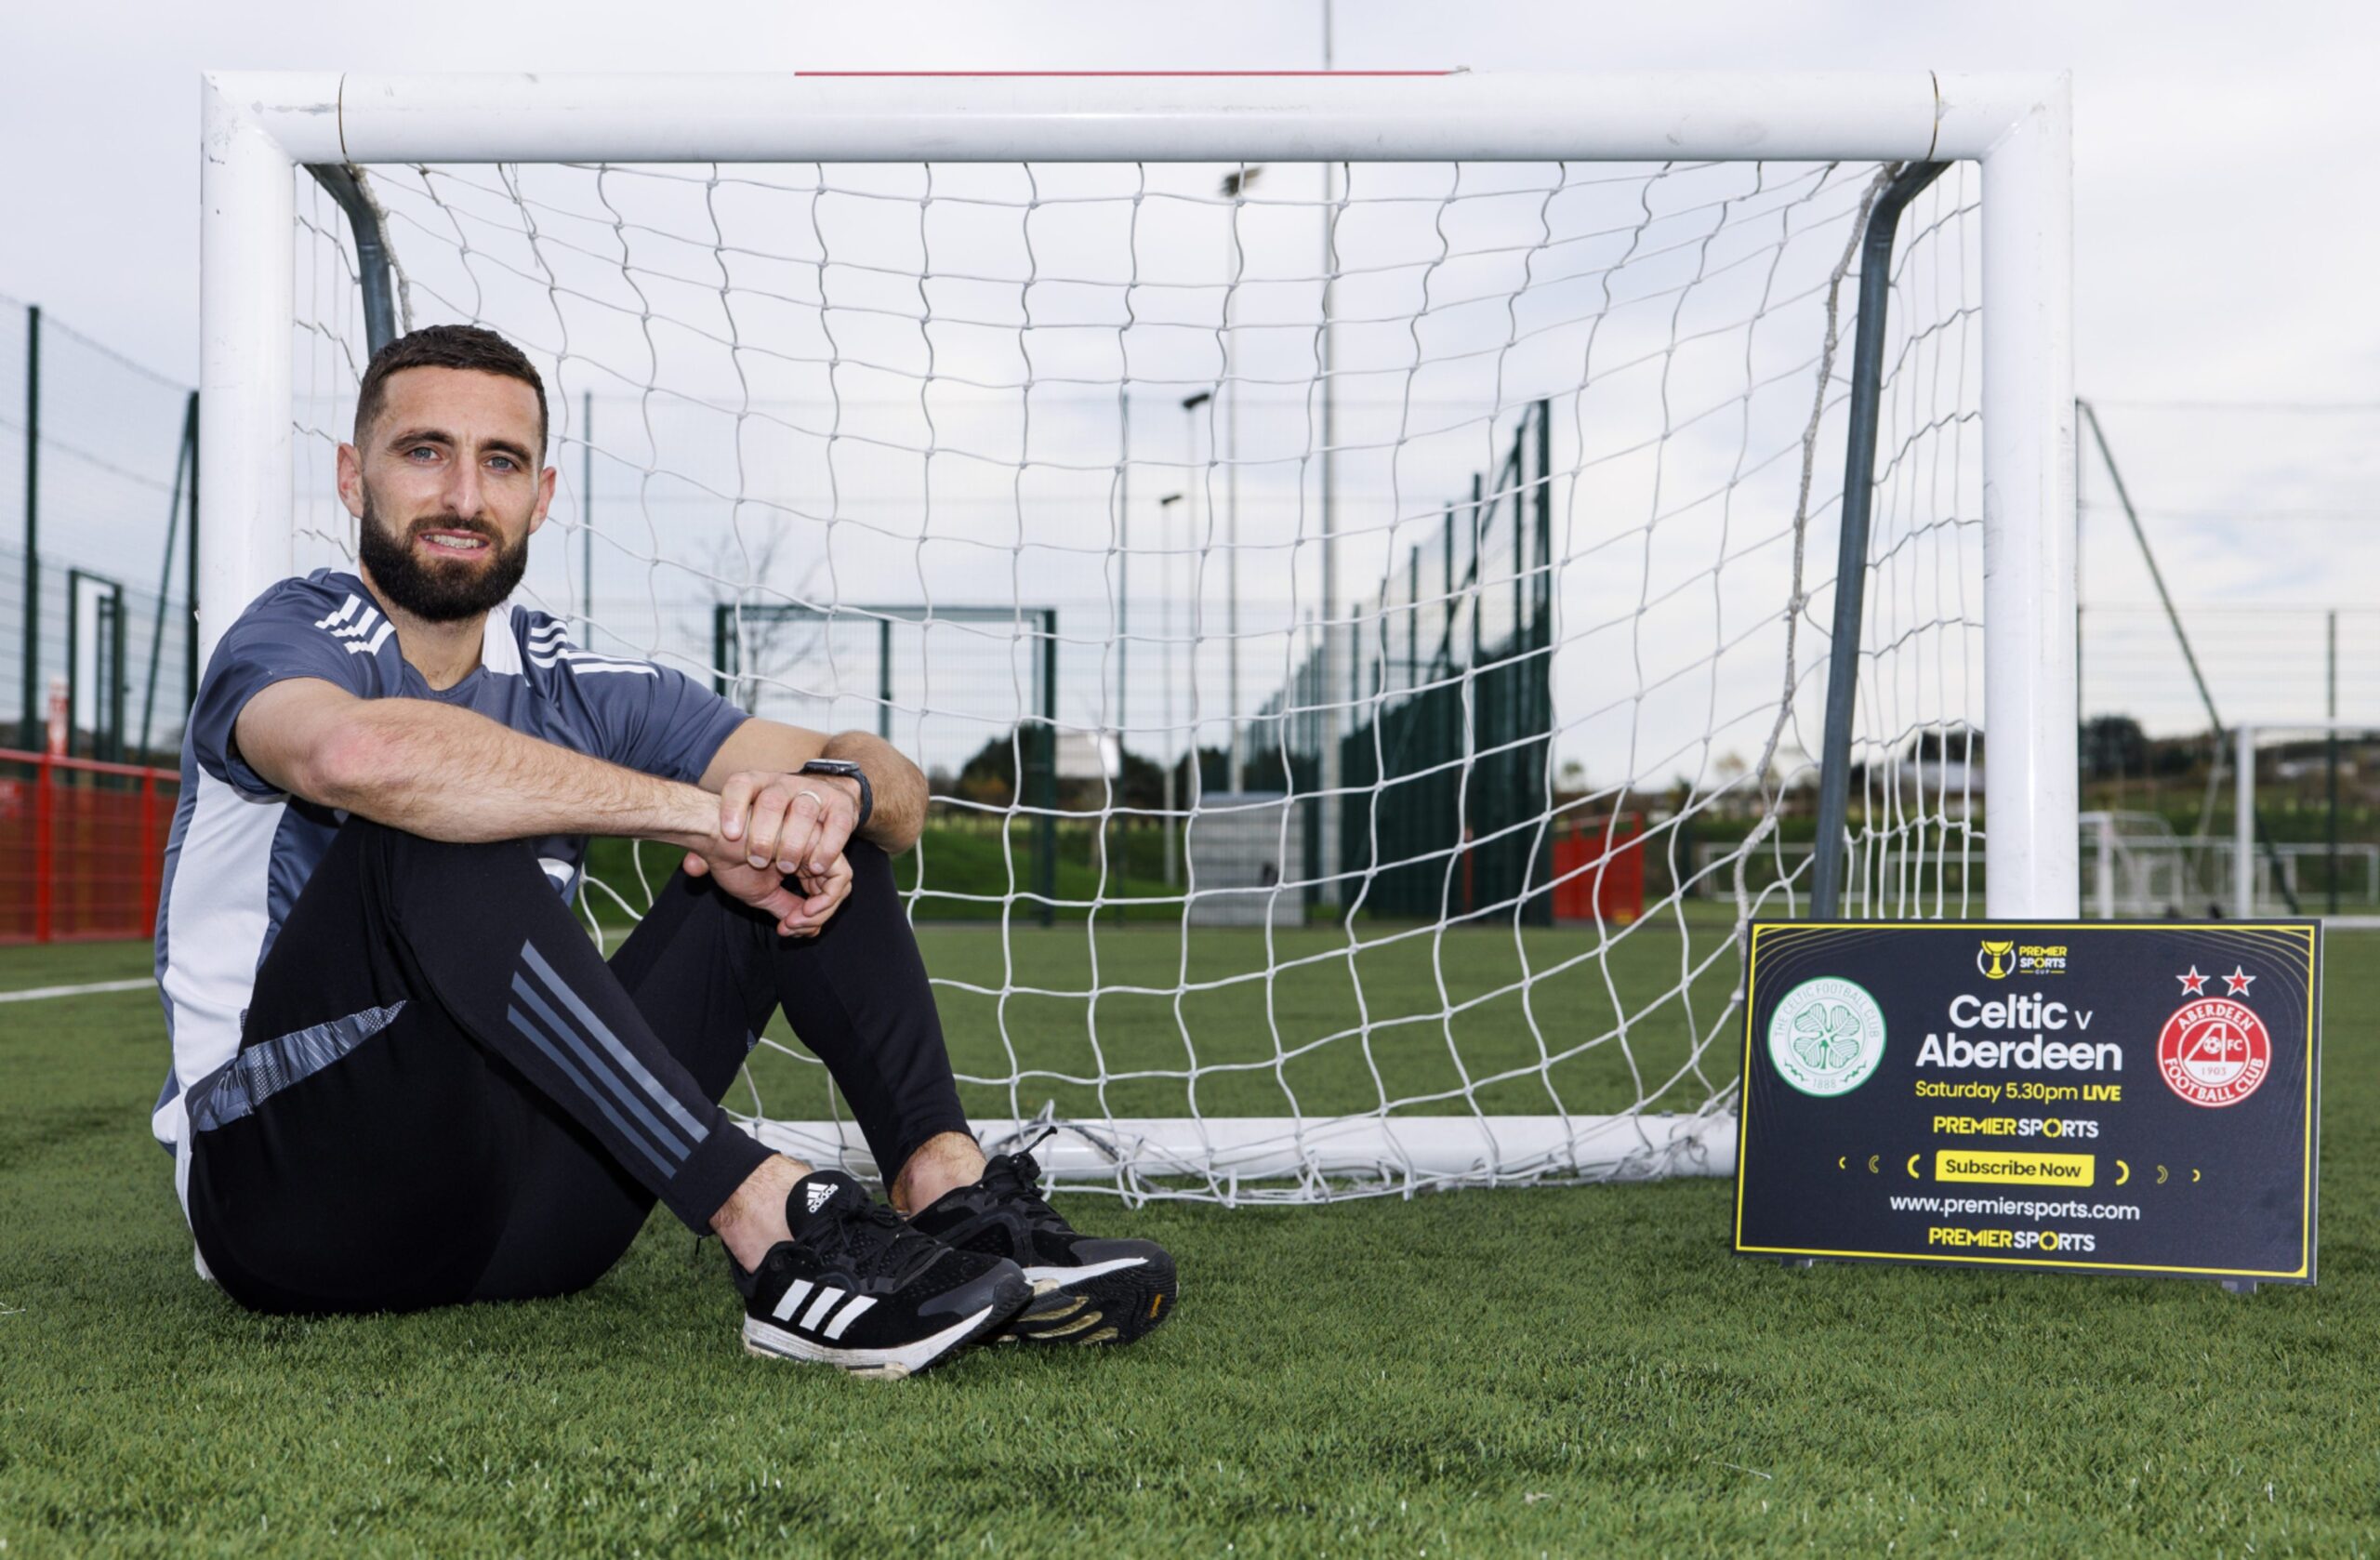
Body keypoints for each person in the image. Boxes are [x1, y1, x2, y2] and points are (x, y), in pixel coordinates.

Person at [151, 324, 1173, 1377]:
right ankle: (769, 1221)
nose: (463, 493)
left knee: (815, 824)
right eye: (424, 451)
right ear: (350, 474)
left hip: (531, 1220)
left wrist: (827, 793)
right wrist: (700, 818)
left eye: (498, 462)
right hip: (289, 1201)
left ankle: (950, 1196)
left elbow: (890, 787)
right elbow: (357, 753)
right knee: (438, 819)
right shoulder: (288, 634)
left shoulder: (576, 679)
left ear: (540, 496)